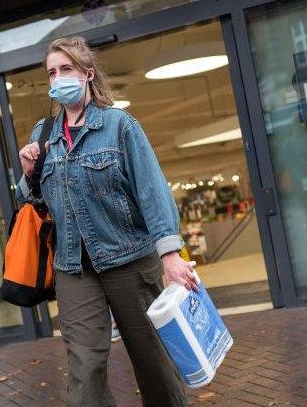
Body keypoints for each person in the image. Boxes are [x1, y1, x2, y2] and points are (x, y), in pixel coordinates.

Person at [17, 36, 195, 407]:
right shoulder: (43, 134)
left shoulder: (119, 125)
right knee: (85, 364)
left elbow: (151, 191)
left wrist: (170, 254)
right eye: (52, 72)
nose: (58, 78)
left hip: (128, 258)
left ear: (87, 74)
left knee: (151, 358)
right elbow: (35, 203)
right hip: (72, 268)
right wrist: (29, 174)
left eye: (66, 69)